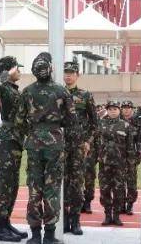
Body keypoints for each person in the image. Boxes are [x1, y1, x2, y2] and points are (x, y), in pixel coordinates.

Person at [16, 52, 76, 244]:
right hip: (54, 143)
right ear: (50, 69)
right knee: (52, 188)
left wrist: (33, 132)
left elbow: (19, 120)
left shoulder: (27, 92)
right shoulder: (62, 91)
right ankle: (49, 235)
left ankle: (35, 235)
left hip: (34, 143)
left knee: (34, 188)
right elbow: (71, 120)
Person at [0, 56, 27, 242]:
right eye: (17, 69)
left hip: (15, 141)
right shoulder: (4, 87)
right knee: (4, 184)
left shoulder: (13, 89)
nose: (20, 72)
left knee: (12, 184)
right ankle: (0, 227)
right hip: (6, 140)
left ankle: (6, 222)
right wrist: (8, 72)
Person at [61, 60, 97, 236]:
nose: (68, 75)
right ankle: (64, 219)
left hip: (78, 147)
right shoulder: (57, 94)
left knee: (76, 184)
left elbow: (94, 123)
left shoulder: (85, 95)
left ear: (77, 75)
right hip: (59, 146)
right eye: (65, 72)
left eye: (71, 72)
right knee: (61, 182)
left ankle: (75, 220)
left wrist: (88, 141)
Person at [95, 100, 128, 226]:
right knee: (105, 190)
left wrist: (130, 162)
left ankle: (117, 215)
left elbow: (130, 146)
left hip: (120, 164)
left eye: (115, 109)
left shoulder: (125, 125)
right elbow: (96, 143)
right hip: (105, 163)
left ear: (119, 110)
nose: (112, 111)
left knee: (119, 190)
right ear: (107, 110)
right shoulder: (101, 124)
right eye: (110, 109)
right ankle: (108, 215)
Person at [119, 100, 140, 216]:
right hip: (119, 156)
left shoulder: (137, 122)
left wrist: (139, 154)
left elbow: (140, 140)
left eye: (128, 107)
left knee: (131, 182)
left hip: (132, 157)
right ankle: (121, 204)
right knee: (120, 182)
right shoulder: (119, 121)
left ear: (132, 109)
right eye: (124, 107)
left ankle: (130, 205)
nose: (126, 109)